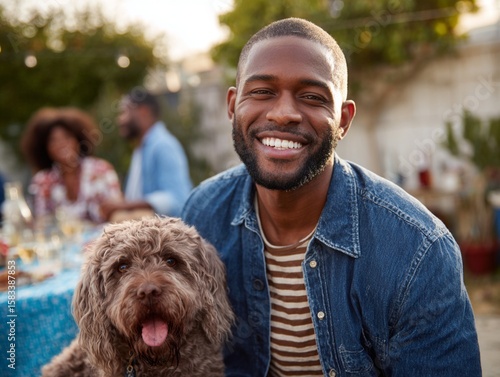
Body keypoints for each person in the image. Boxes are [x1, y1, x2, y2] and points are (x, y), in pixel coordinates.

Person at [181, 18, 481, 376]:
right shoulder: (203, 215)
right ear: (233, 106)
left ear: (343, 119)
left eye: (312, 97)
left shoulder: (417, 250)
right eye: (261, 91)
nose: (284, 113)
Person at [100, 88, 192, 221]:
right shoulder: (142, 147)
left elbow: (177, 199)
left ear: (143, 111)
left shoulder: (163, 145)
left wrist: (124, 205)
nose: (119, 120)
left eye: (124, 112)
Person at [21, 107, 123, 224]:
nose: (61, 144)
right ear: (45, 148)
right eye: (53, 140)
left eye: (67, 137)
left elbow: (117, 211)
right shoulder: (43, 181)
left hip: (105, 238)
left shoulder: (100, 170)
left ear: (78, 140)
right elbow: (43, 223)